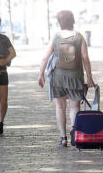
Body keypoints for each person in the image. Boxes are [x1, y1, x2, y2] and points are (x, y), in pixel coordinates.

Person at [38, 10, 95, 148]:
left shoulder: (56, 36)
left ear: (59, 22)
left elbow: (45, 57)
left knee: (60, 107)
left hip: (58, 76)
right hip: (75, 75)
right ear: (73, 20)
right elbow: (85, 58)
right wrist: (89, 76)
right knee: (74, 106)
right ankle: (74, 129)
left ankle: (63, 138)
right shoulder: (79, 37)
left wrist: (41, 75)